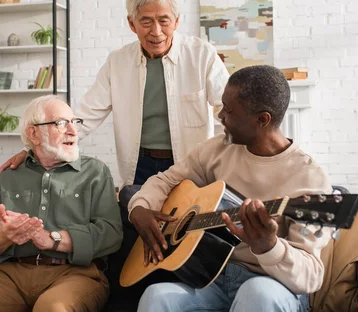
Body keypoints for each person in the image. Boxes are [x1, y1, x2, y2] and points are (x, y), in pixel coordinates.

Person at [128, 65, 332, 312]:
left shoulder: (310, 179)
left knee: (256, 293)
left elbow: (311, 276)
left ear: (262, 119)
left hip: (274, 286)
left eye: (229, 110)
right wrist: (139, 207)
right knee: (156, 296)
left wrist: (270, 246)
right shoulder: (216, 150)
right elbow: (165, 180)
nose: (220, 115)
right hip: (214, 279)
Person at [0, 0, 229, 188]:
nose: (156, 32)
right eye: (146, 22)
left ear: (176, 21)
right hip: (140, 166)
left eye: (164, 21)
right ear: (132, 24)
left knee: (190, 230)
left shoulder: (202, 55)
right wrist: (32, 151)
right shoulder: (118, 62)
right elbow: (85, 117)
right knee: (142, 231)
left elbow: (228, 113)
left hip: (191, 164)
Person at [0, 95, 122, 312]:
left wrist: (52, 239)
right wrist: (3, 236)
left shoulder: (95, 172)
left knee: (53, 308)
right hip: (9, 275)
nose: (73, 131)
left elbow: (111, 234)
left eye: (75, 122)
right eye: (61, 123)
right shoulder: (11, 175)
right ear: (34, 133)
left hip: (74, 274)